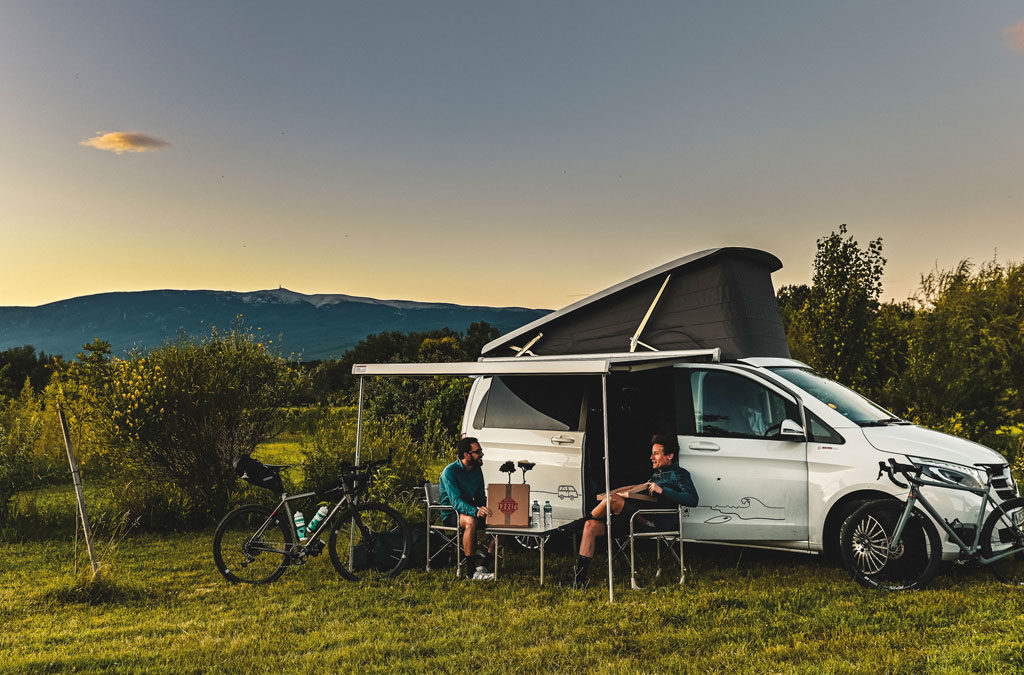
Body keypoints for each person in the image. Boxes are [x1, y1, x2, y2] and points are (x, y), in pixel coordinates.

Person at [573, 433, 698, 589]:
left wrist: (662, 490)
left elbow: (692, 500)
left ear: (670, 455)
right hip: (635, 519)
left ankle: (575, 524)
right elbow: (635, 488)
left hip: (655, 522)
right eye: (652, 453)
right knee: (590, 526)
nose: (651, 457)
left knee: (613, 501)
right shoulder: (656, 475)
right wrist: (611, 492)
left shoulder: (679, 474)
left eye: (656, 453)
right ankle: (579, 581)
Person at [438, 436, 495, 580]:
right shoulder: (449, 472)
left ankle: (484, 565)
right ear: (466, 455)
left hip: (471, 511)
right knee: (471, 521)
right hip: (452, 513)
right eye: (478, 451)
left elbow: (481, 498)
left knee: (505, 520)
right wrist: (475, 511)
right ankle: (471, 573)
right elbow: (456, 502)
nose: (482, 454)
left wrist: (490, 509)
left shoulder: (476, 471)